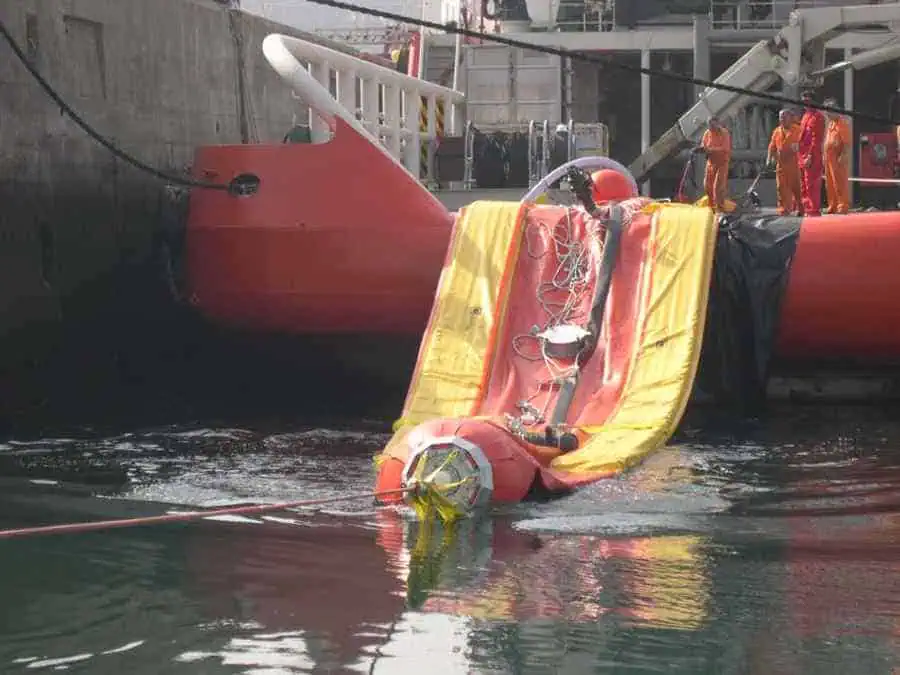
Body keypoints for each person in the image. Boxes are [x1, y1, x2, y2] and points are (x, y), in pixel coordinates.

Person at [766, 109, 802, 215]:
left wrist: (798, 148)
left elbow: (806, 145)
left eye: (784, 117)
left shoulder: (799, 130)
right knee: (781, 188)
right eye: (780, 117)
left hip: (795, 165)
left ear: (790, 118)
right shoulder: (777, 131)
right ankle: (784, 209)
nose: (782, 119)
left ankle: (801, 209)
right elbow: (771, 146)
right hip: (781, 165)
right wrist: (769, 159)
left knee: (797, 189)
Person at [797, 90, 826, 216]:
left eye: (808, 101)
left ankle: (813, 210)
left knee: (812, 183)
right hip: (802, 154)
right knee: (803, 183)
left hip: (812, 155)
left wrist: (810, 156)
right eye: (803, 101)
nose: (805, 104)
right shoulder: (805, 116)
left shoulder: (818, 117)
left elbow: (816, 138)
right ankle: (805, 207)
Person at [822, 97, 852, 214]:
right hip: (829, 158)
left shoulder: (842, 124)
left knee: (839, 182)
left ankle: (842, 206)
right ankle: (832, 205)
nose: (827, 114)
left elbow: (846, 144)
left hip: (838, 157)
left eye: (828, 111)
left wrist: (842, 156)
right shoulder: (831, 124)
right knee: (829, 183)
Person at [700, 116, 732, 211]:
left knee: (717, 188)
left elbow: (725, 149)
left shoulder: (724, 133)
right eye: (709, 125)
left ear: (717, 124)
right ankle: (711, 208)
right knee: (707, 186)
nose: (711, 128)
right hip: (710, 163)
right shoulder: (707, 133)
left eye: (713, 125)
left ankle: (720, 209)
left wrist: (711, 150)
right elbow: (703, 145)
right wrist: (702, 149)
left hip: (722, 164)